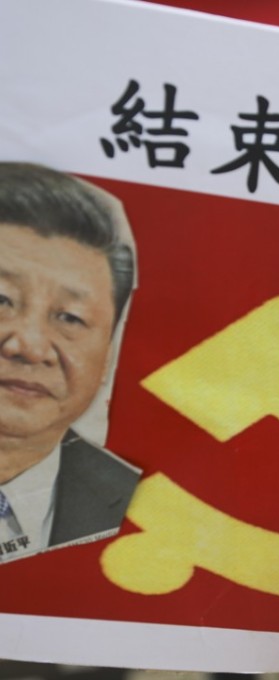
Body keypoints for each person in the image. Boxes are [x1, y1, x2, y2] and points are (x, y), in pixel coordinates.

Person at [0, 162, 140, 561]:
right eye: (1, 300)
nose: (30, 347)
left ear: (108, 354)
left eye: (70, 318)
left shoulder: (145, 502)